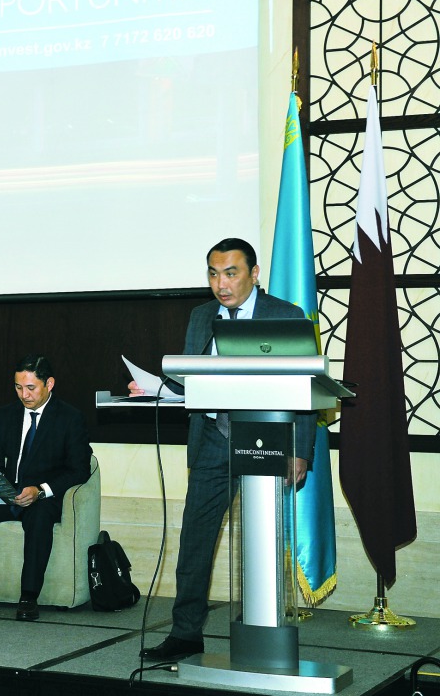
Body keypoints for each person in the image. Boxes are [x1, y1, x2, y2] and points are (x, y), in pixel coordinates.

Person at [139, 238, 317, 661]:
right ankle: (185, 634)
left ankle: (265, 632)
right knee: (195, 542)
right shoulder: (201, 317)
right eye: (214, 274)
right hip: (212, 442)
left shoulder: (285, 315)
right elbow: (193, 376)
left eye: (231, 273)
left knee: (263, 542)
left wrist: (301, 449)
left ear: (255, 274)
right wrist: (155, 389)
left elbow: (307, 387)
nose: (222, 283)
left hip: (268, 441)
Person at [0, 354, 93, 621]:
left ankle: (29, 596)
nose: (24, 395)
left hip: (42, 497)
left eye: (31, 388)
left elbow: (79, 470)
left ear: (49, 384)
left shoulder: (70, 418)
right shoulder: (6, 415)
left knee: (39, 518)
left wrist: (40, 490)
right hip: (7, 493)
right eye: (18, 387)